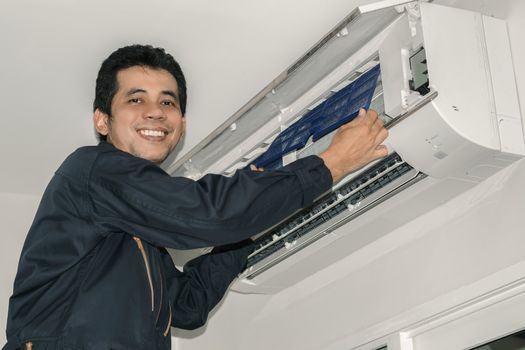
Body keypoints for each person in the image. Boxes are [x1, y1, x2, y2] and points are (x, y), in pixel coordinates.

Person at [3, 44, 388, 350]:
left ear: (181, 124)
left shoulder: (138, 235)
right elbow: (208, 214)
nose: (156, 112)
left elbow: (186, 307)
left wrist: (247, 231)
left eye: (168, 102)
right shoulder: (92, 169)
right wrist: (330, 163)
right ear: (102, 120)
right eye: (136, 100)